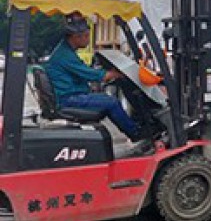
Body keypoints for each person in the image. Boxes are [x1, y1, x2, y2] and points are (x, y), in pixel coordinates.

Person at [45, 13, 143, 141]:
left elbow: (84, 71)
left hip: (69, 96)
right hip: (68, 99)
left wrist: (107, 73)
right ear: (76, 37)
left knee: (107, 99)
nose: (88, 39)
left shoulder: (65, 51)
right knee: (111, 102)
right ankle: (136, 133)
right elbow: (90, 74)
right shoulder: (65, 56)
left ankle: (134, 128)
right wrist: (114, 74)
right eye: (86, 36)